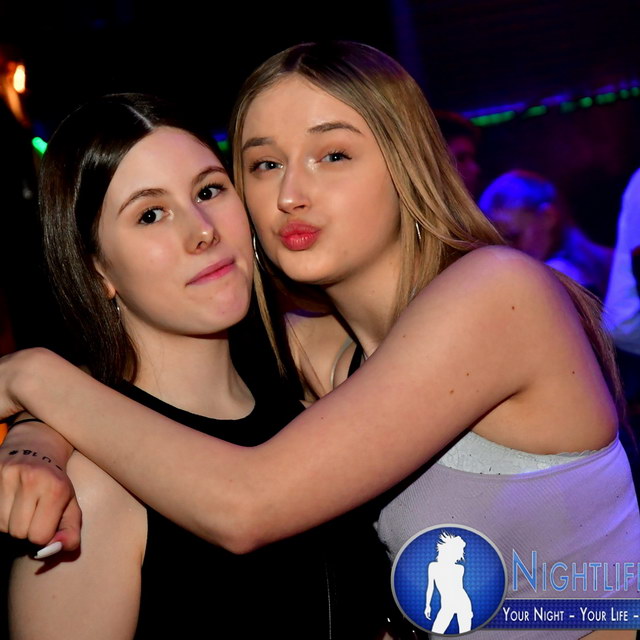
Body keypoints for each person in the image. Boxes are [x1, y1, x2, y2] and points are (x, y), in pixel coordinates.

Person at [0, 42, 638, 639]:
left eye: (332, 155)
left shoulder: (499, 293)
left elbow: (246, 503)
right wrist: (37, 442)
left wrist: (31, 375)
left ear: (405, 160)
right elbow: (149, 393)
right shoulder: (325, 359)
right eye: (265, 164)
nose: (290, 195)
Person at [1, 92, 389, 640]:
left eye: (209, 190)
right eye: (150, 214)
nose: (202, 229)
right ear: (96, 270)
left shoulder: (310, 401)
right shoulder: (90, 491)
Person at [479, 169, 613, 299]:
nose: (507, 252)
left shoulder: (557, 275)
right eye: (498, 244)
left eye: (513, 237)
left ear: (548, 217)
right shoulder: (606, 262)